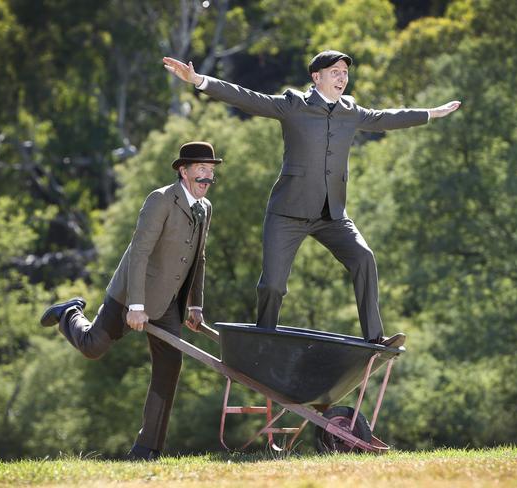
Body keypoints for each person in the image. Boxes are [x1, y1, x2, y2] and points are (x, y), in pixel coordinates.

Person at [163, 50, 460, 347]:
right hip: (287, 213)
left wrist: (430, 113)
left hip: (331, 215)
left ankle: (375, 337)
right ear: (317, 77)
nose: (342, 77)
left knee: (363, 258)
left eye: (345, 72)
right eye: (335, 72)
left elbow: (386, 118)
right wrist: (199, 80)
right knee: (273, 286)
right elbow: (247, 97)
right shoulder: (293, 105)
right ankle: (264, 344)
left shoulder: (351, 110)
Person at [39, 141, 222, 460]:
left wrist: (195, 305)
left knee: (169, 370)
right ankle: (69, 311)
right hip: (130, 293)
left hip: (169, 303)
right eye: (201, 170)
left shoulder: (205, 209)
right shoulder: (161, 200)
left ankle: (147, 449)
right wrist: (135, 305)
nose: (207, 177)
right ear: (183, 171)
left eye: (210, 171)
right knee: (93, 346)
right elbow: (139, 253)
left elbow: (199, 259)